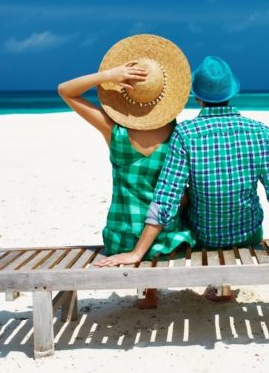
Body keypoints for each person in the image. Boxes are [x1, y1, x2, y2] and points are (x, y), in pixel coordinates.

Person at [95, 56, 269, 299]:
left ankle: (154, 290)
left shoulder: (185, 133)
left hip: (205, 237)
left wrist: (138, 252)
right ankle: (222, 287)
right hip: (248, 233)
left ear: (196, 97)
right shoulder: (259, 132)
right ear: (232, 93)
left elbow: (166, 198)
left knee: (185, 200)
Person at [58, 35, 194, 307]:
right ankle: (153, 284)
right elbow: (181, 195)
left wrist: (107, 75)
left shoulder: (114, 132)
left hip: (122, 236)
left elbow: (65, 90)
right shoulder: (178, 135)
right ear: (165, 95)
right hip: (171, 238)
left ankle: (148, 290)